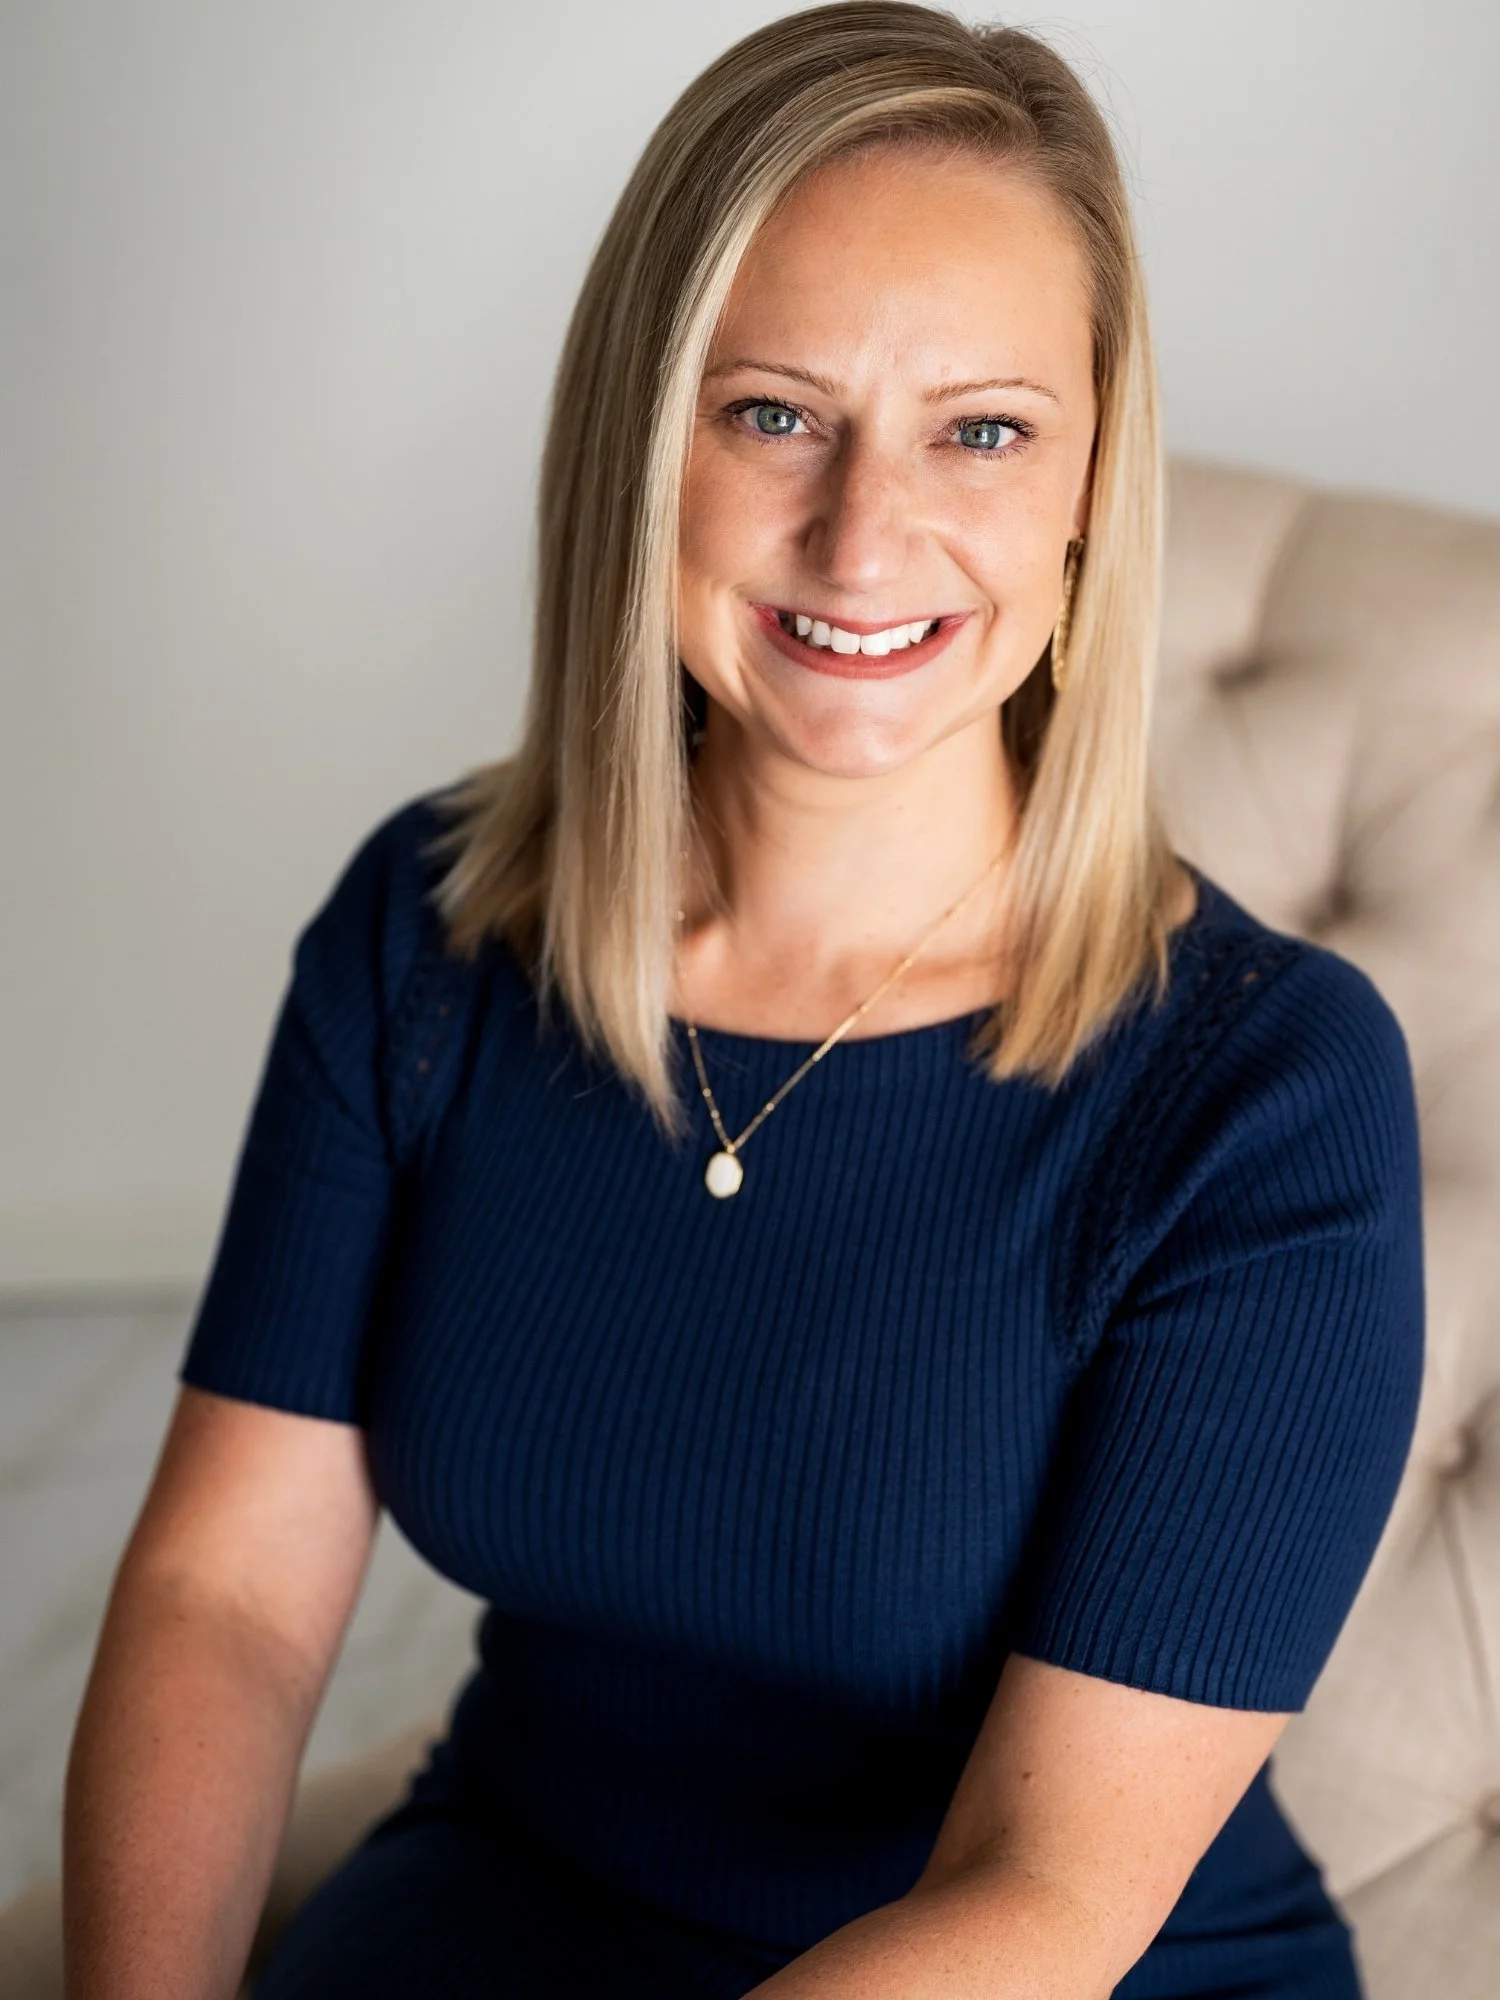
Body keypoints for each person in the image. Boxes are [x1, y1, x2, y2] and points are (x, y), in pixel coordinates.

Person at [62, 5, 1425, 1996]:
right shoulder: (426, 941)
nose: (865, 535)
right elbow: (228, 1595)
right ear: (643, 433)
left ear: (1089, 487)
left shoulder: (1265, 1094)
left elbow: (1045, 1893)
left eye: (984, 427)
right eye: (772, 410)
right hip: (508, 1912)